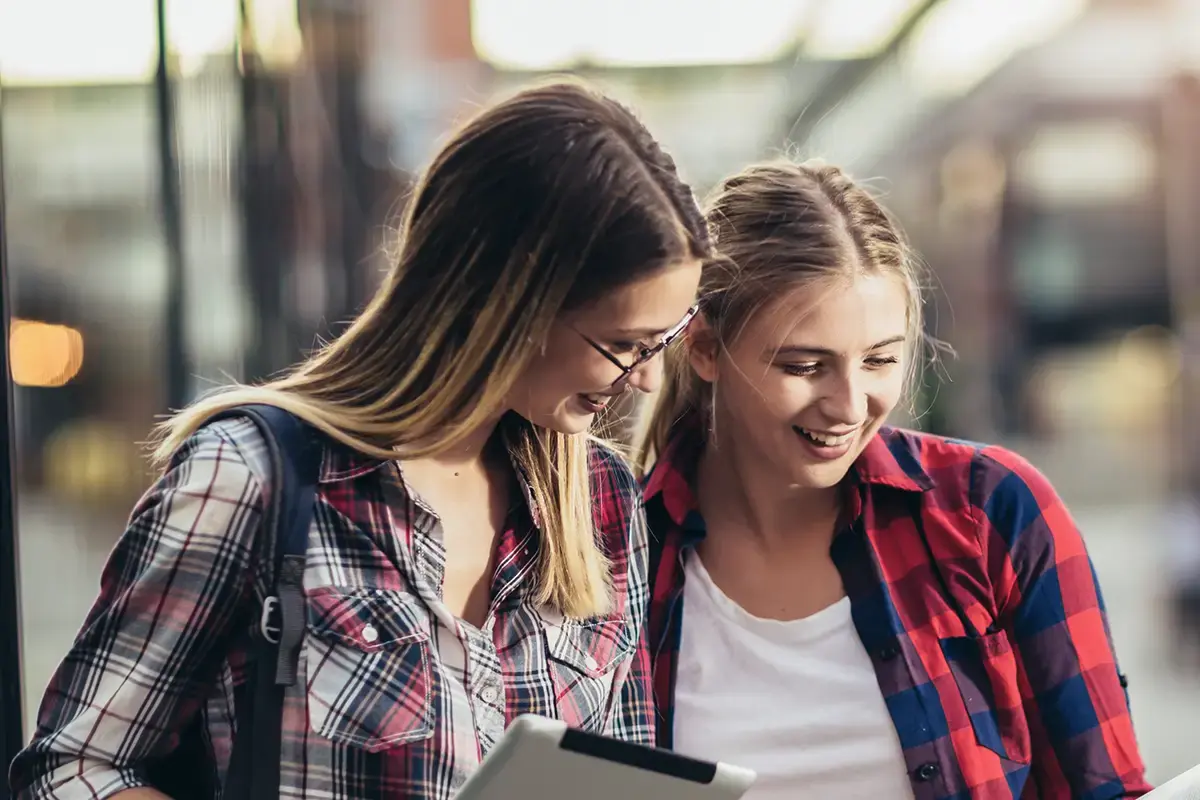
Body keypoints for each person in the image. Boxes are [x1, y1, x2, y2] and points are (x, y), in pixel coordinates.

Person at [10, 80, 714, 800]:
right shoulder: (251, 478)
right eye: (626, 344)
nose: (647, 382)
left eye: (664, 340)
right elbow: (73, 769)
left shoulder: (602, 502)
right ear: (513, 303)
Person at [637, 160, 1152, 799]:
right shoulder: (623, 554)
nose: (850, 406)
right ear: (706, 349)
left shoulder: (991, 513)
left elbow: (1108, 787)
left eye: (880, 360)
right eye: (804, 366)